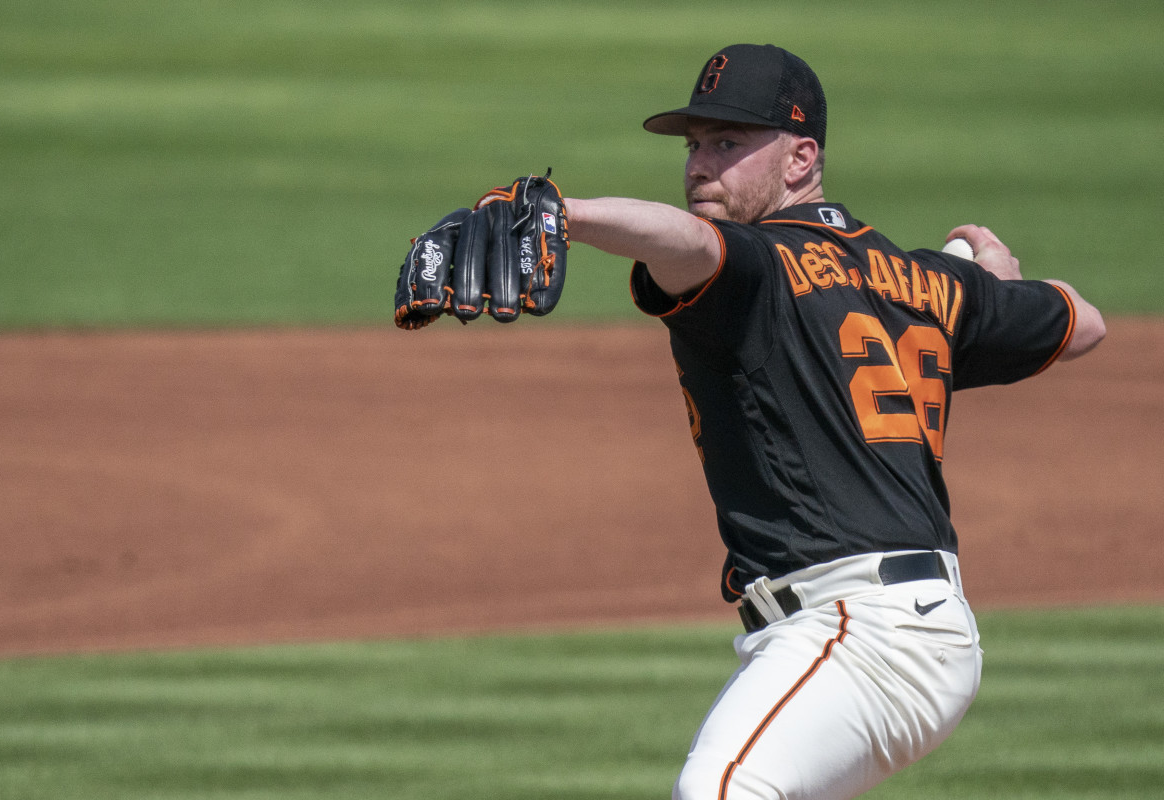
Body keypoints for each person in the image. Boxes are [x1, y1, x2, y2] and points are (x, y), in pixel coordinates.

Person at [402, 43, 1105, 800]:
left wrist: (565, 216)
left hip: (865, 631)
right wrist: (983, 279)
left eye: (729, 144)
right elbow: (1084, 320)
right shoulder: (920, 281)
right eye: (694, 145)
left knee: (720, 789)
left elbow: (688, 242)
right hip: (889, 629)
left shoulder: (759, 264)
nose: (701, 165)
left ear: (801, 158)